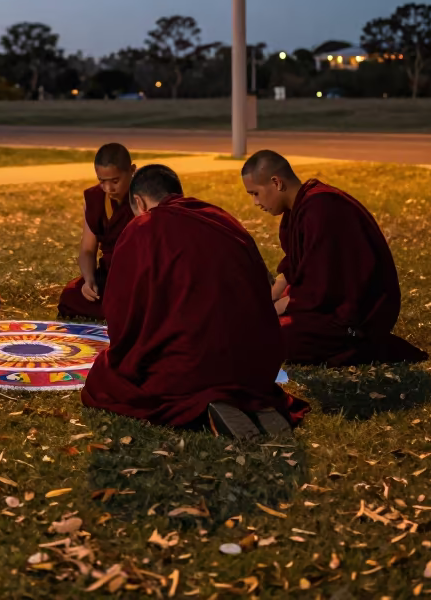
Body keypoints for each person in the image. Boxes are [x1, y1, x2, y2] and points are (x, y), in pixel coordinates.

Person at [82, 164, 307, 438]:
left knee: (104, 378)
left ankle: (209, 401)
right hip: (255, 363)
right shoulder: (221, 218)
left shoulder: (144, 227)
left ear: (139, 203)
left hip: (195, 365)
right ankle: (250, 399)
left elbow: (122, 313)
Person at [241, 150, 428, 366]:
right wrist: (265, 302)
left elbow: (323, 289)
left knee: (268, 338)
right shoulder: (298, 210)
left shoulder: (322, 207)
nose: (255, 202)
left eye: (255, 193)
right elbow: (293, 269)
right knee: (258, 328)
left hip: (351, 315)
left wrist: (270, 312)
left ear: (276, 182)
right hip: (322, 305)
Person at [57, 143, 137, 320]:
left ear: (132, 170)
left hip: (138, 277)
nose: (108, 189)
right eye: (102, 181)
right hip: (108, 276)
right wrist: (89, 280)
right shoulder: (95, 199)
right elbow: (87, 250)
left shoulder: (143, 198)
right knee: (71, 297)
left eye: (115, 181)